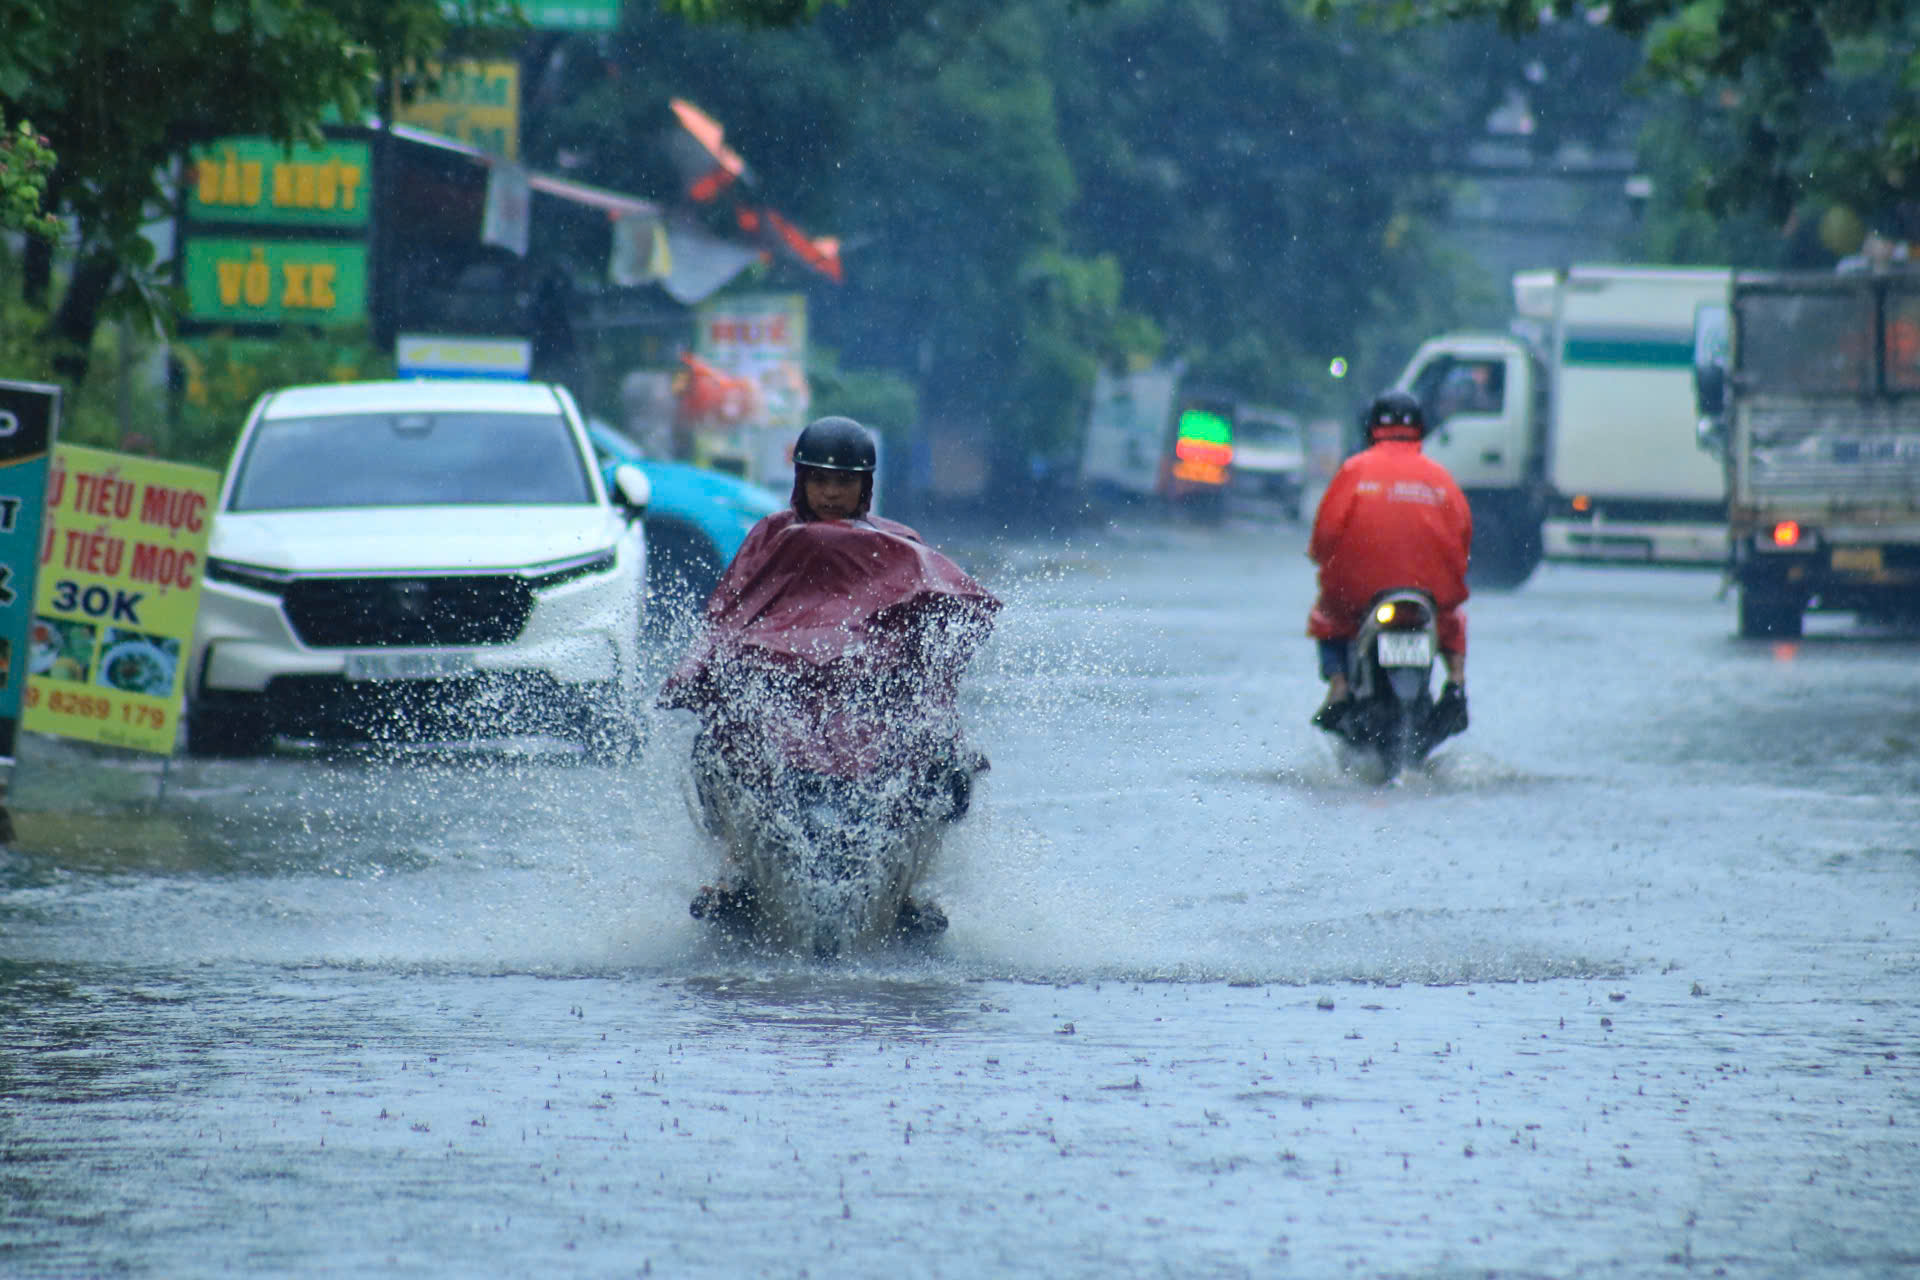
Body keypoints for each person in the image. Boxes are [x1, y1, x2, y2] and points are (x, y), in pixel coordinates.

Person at [661, 416, 999, 932]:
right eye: (820, 480)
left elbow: (931, 613)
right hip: (783, 704)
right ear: (801, 480)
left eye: (844, 482)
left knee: (946, 763)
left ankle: (908, 890)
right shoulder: (770, 538)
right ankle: (736, 872)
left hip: (868, 705)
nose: (831, 493)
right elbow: (730, 614)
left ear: (865, 486)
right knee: (715, 751)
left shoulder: (900, 542)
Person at [1307, 389, 1472, 733]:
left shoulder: (1354, 470)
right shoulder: (1440, 478)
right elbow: (1463, 537)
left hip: (1362, 595)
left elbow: (1324, 537)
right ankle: (1456, 681)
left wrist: (1323, 560)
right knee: (1451, 619)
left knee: (1327, 613)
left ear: (1370, 428)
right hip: (1428, 596)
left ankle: (1338, 686)